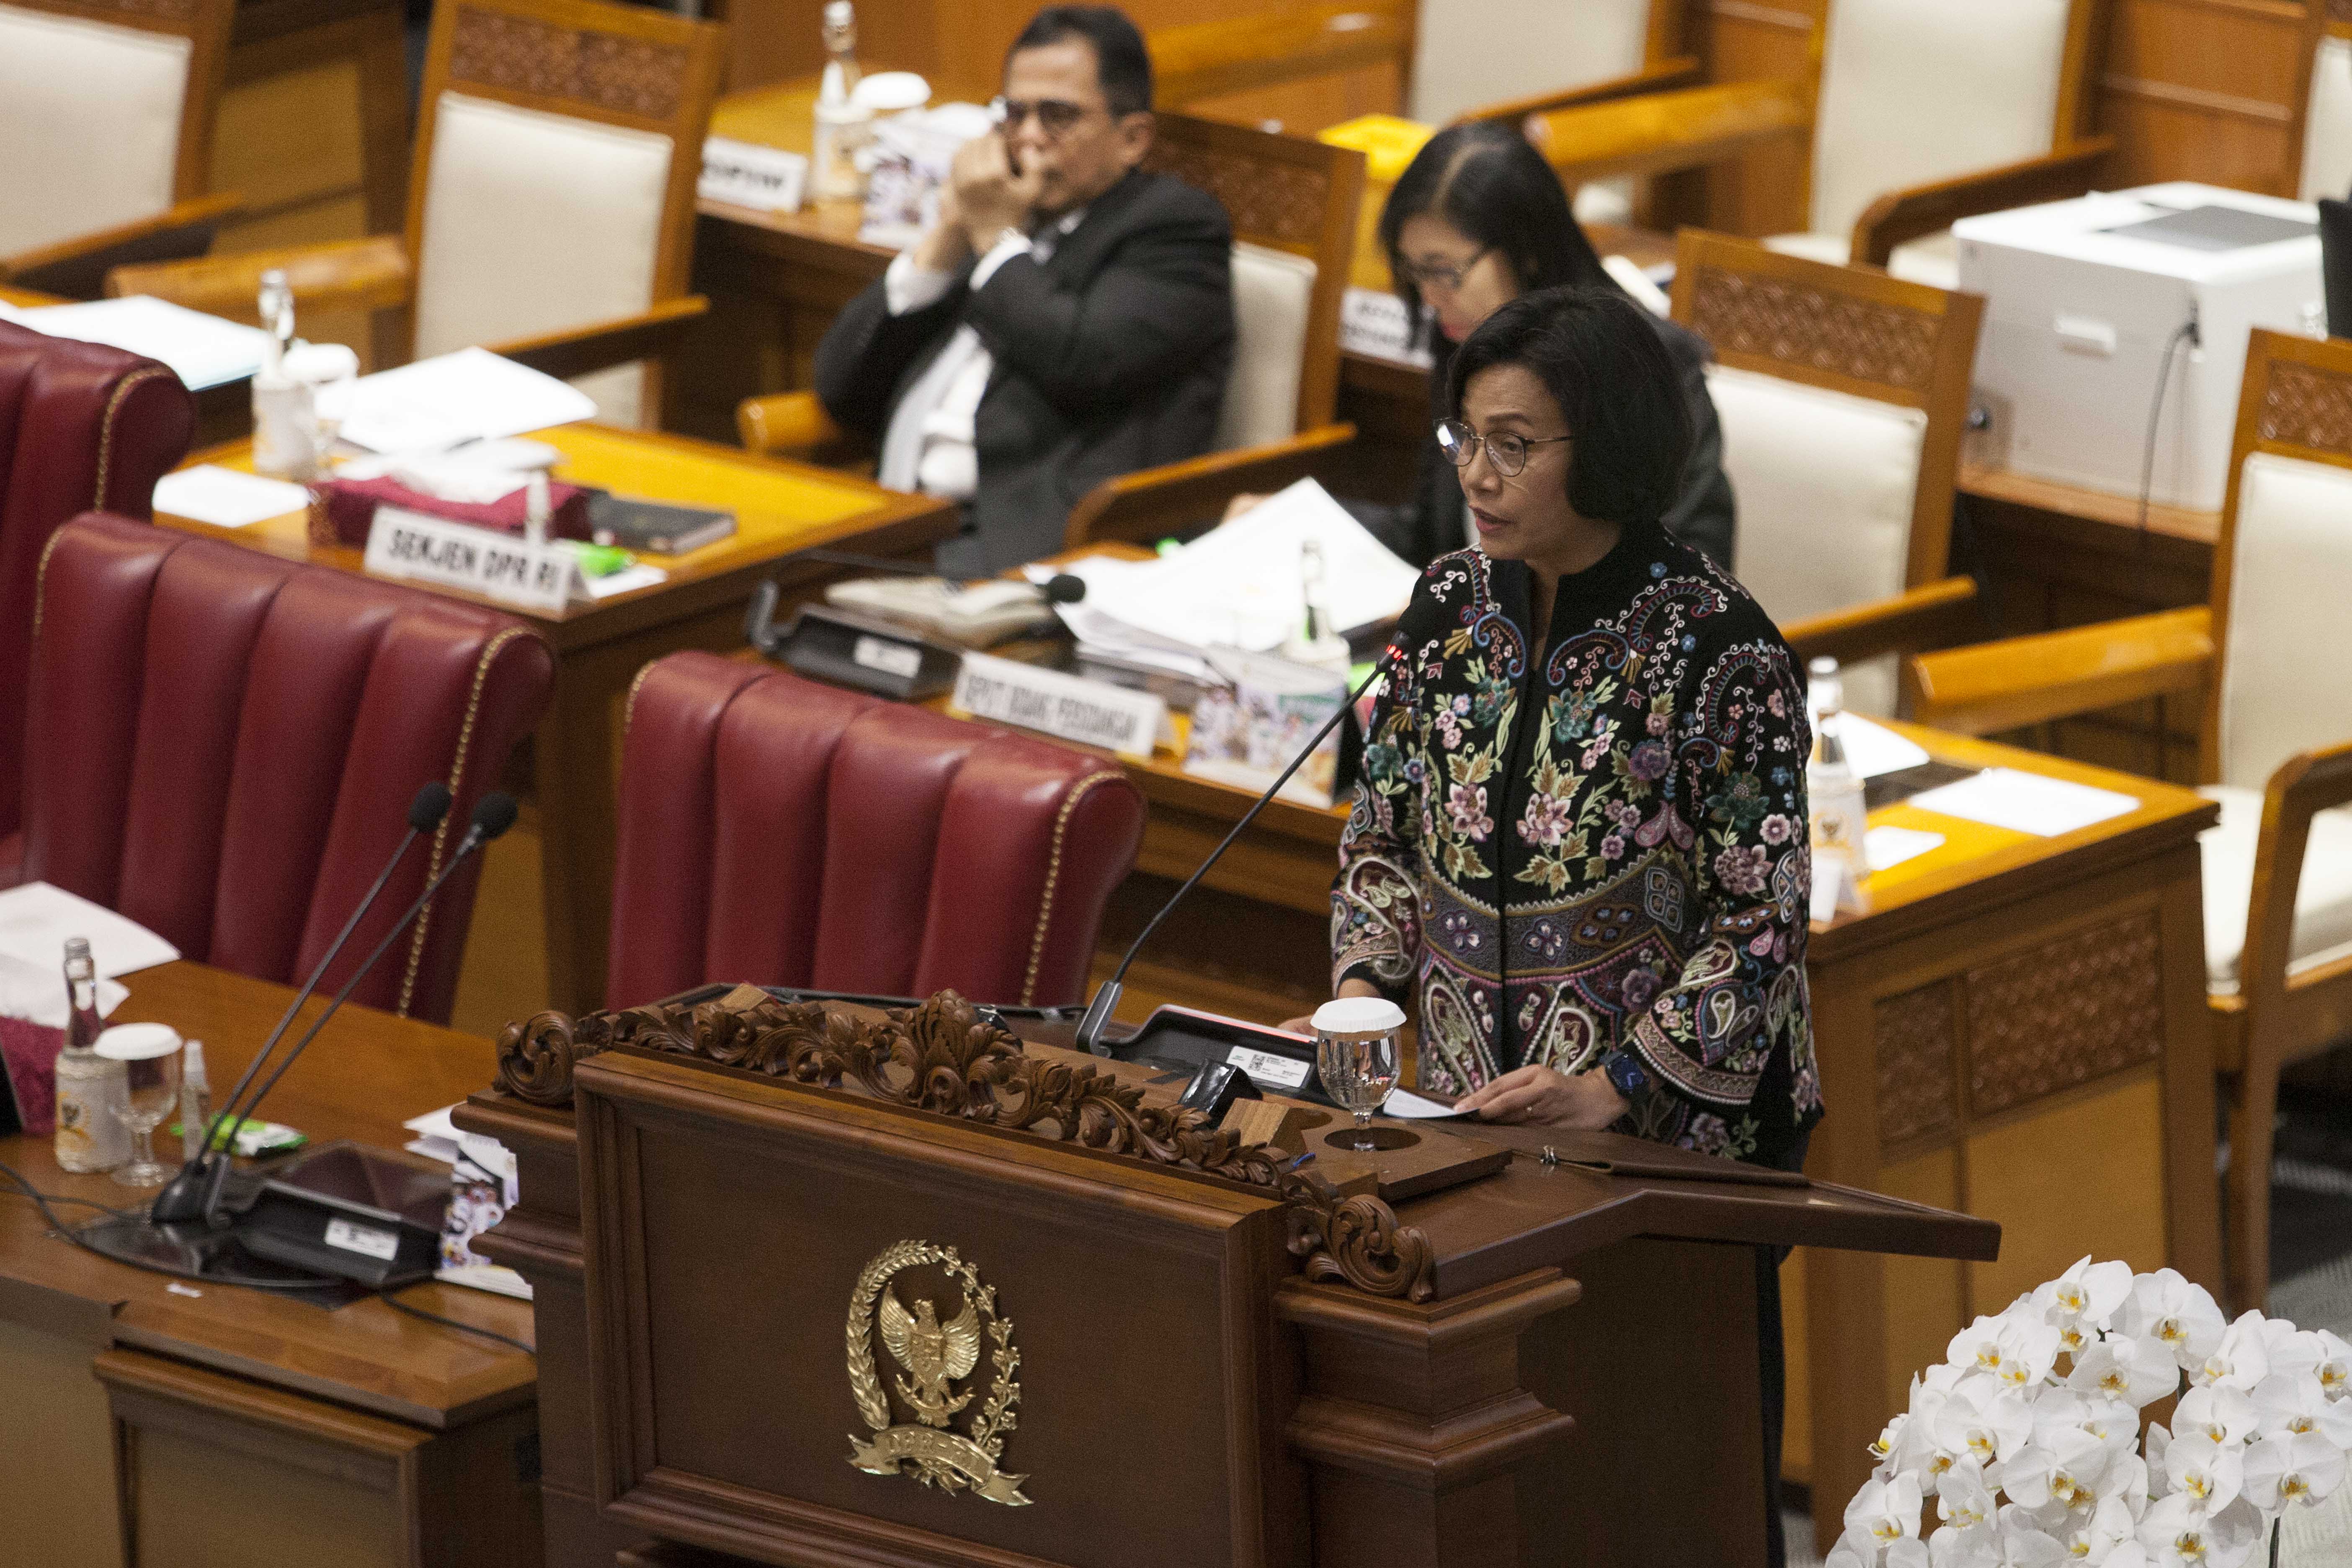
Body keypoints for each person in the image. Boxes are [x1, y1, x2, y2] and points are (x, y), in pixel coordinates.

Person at [1297, 285, 1818, 1565]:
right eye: (1463, 438)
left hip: (1662, 1159)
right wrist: (1366, 991)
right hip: (1470, 1152)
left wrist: (1619, 1089)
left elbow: (1762, 921)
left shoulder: (1718, 652)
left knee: (1648, 1496)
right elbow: (1381, 831)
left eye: (1514, 445)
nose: (1477, 474)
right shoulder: (1443, 613)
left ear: (1614, 444)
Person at [813, 5, 1235, 575]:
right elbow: (840, 389)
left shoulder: (1175, 232)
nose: (1029, 138)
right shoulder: (1003, 212)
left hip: (1023, 546)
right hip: (896, 519)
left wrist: (994, 237)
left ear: (1133, 138)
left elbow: (1080, 361)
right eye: (1015, 114)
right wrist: (946, 237)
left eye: (1058, 117)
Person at [1229, 121, 1735, 570]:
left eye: (1444, 270)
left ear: (1528, 252)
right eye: (1414, 271)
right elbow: (1430, 538)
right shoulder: (1464, 344)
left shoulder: (1652, 369)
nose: (1428, 296)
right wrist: (1300, 524)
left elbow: (1690, 570)